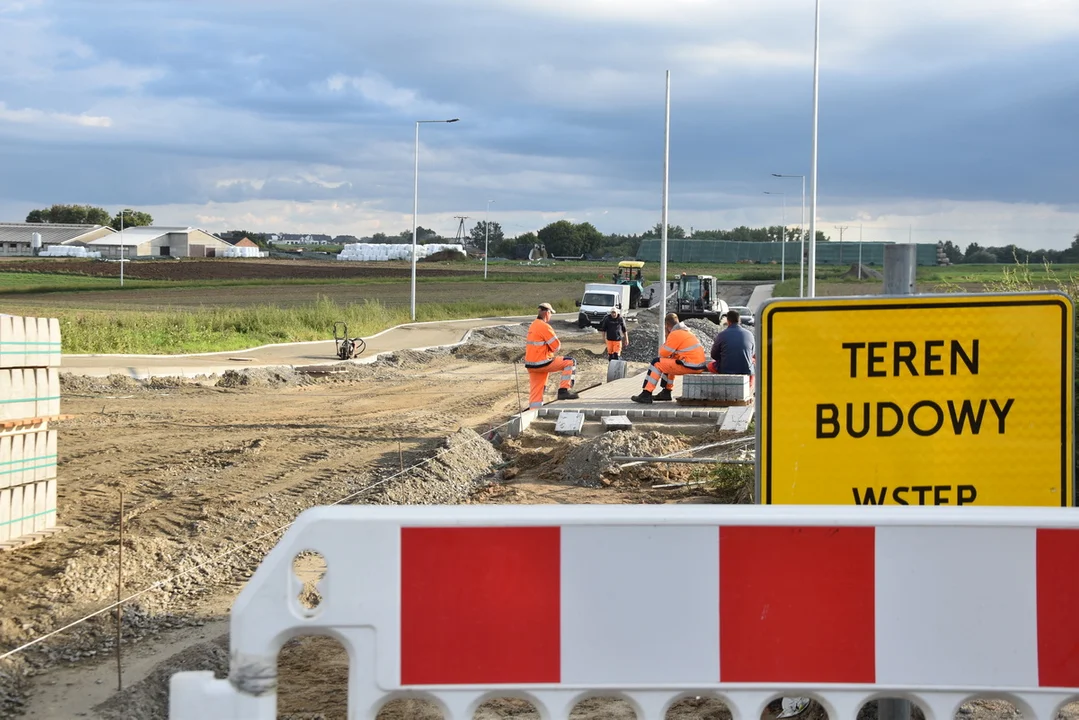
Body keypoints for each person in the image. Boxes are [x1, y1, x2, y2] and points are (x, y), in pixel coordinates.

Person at [631, 312, 707, 403]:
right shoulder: (686, 332)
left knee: (656, 363)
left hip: (690, 365)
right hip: (697, 365)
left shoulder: (675, 334)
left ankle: (646, 393)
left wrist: (667, 336)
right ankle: (666, 392)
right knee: (669, 362)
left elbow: (663, 353)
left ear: (667, 325)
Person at [524, 302, 579, 409]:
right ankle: (564, 390)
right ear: (547, 312)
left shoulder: (533, 325)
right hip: (543, 362)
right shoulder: (544, 326)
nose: (551, 316)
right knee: (570, 362)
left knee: (536, 391)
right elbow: (556, 346)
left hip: (531, 365)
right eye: (551, 313)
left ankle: (534, 410)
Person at [708, 309, 756, 386]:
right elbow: (752, 354)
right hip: (746, 370)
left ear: (728, 321)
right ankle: (750, 387)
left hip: (726, 370)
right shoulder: (749, 334)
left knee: (710, 365)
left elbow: (713, 355)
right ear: (739, 320)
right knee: (753, 364)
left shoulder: (722, 335)